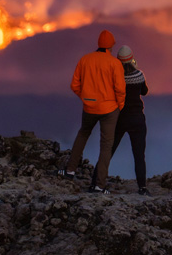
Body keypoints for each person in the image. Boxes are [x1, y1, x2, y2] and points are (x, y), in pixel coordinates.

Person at [61, 29, 125, 193]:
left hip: (89, 107)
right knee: (106, 145)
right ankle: (99, 185)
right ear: (110, 46)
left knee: (83, 134)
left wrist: (86, 97)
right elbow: (120, 89)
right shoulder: (114, 63)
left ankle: (70, 171)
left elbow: (74, 85)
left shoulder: (85, 59)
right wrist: (120, 106)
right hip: (109, 109)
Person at [89, 44, 150, 195]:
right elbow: (145, 91)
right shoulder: (139, 75)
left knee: (108, 151)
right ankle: (142, 187)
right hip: (137, 119)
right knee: (139, 155)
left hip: (119, 120)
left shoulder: (114, 77)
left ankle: (95, 184)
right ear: (131, 59)